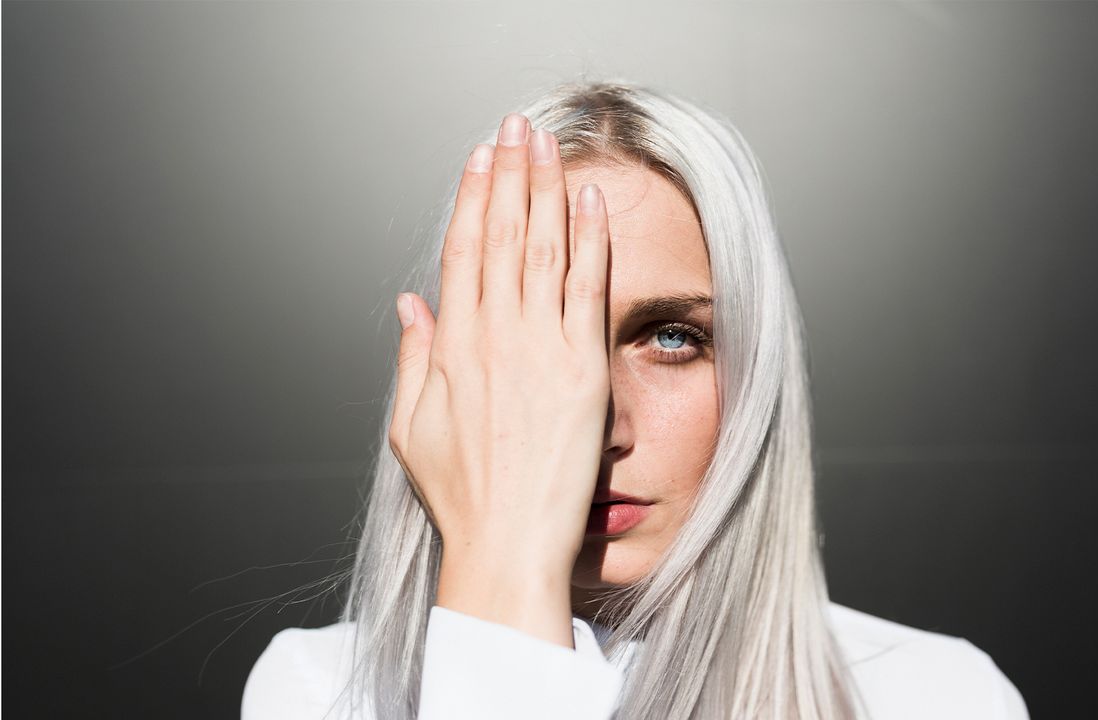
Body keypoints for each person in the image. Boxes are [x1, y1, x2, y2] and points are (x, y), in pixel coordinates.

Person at [241, 80, 1029, 720]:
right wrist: (503, 569)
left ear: (760, 374)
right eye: (548, 336)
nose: (599, 424)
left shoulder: (938, 698)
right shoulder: (319, 693)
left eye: (673, 338)